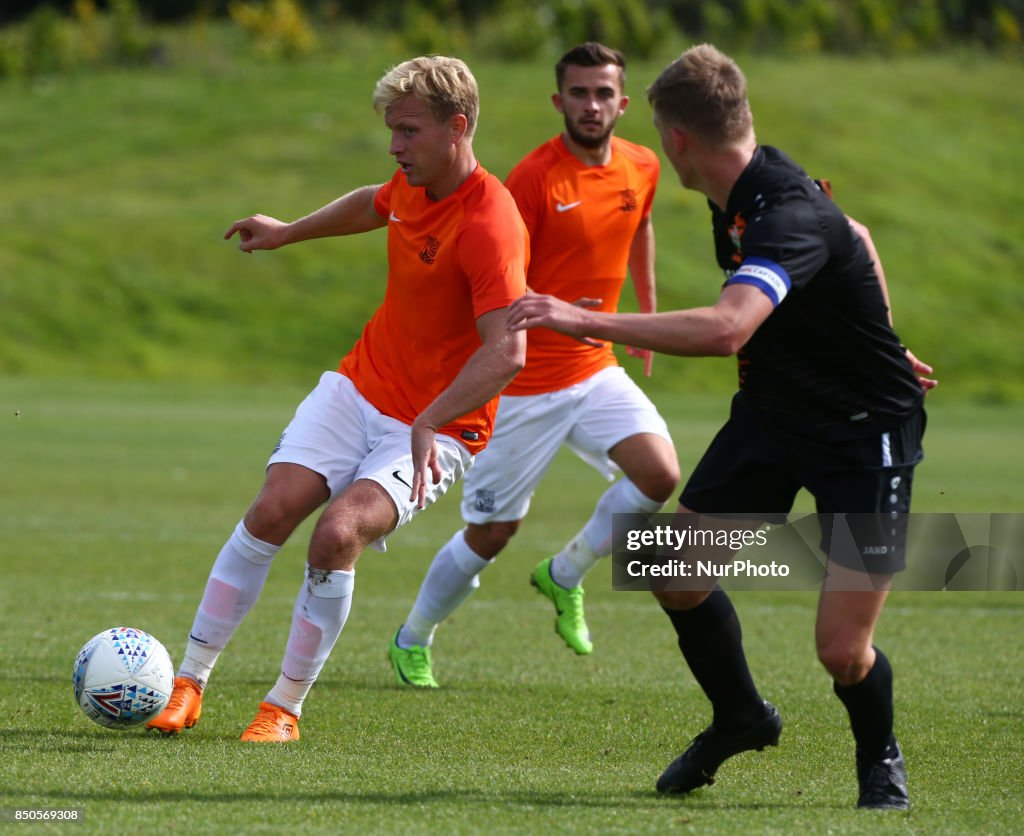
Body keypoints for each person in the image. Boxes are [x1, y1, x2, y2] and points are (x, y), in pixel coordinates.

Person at [506, 43, 936, 809]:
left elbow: (728, 328)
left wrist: (577, 318)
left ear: (674, 140)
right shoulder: (739, 188)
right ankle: (739, 716)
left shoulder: (786, 209)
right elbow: (857, 235)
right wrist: (886, 335)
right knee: (670, 569)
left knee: (841, 650)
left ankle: (881, 759)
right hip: (774, 416)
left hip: (863, 435)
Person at [146, 55, 528, 742]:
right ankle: (188, 682)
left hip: (439, 429)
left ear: (457, 128)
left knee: (337, 534)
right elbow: (373, 202)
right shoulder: (414, 181)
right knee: (271, 511)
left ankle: (282, 709)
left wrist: (431, 417)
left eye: (408, 132)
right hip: (360, 387)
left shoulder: (491, 224)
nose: (394, 147)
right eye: (392, 131)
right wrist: (290, 230)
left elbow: (509, 350)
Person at [387, 42, 679, 688]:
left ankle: (566, 572)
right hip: (522, 386)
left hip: (595, 368)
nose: (592, 105)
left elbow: (643, 227)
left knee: (660, 475)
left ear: (623, 103)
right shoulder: (534, 180)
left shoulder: (642, 164)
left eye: (604, 93)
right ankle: (413, 637)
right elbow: (491, 271)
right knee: (493, 532)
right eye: (579, 93)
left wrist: (648, 319)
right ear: (559, 102)